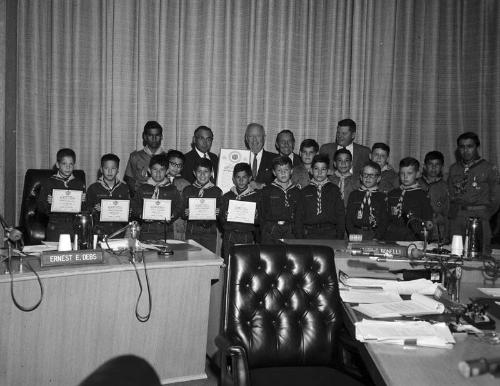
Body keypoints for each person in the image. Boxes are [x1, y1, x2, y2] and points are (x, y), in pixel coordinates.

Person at [448, 132, 500, 254]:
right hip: (458, 216)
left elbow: (496, 197)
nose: (466, 150)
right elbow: (450, 193)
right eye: (462, 147)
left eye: (470, 146)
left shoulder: (488, 168)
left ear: (477, 147)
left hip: (479, 216)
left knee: (480, 255)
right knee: (456, 254)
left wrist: (486, 214)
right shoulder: (454, 168)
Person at [37, 148, 86, 241]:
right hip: (55, 227)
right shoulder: (48, 183)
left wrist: (83, 202)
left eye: (71, 164)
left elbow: (84, 211)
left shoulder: (79, 184)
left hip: (74, 227)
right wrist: (48, 203)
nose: (68, 167)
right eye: (64, 164)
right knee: (55, 253)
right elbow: (40, 208)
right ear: (57, 165)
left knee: (74, 253)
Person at [131, 154, 183, 241]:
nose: (158, 173)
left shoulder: (172, 189)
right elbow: (134, 205)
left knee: (166, 254)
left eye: (162, 170)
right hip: (147, 231)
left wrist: (172, 215)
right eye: (155, 169)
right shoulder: (143, 188)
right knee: (147, 254)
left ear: (167, 171)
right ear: (149, 170)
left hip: (167, 232)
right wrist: (141, 214)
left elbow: (179, 206)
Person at [295, 155, 345, 239]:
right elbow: (299, 216)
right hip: (309, 233)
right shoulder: (304, 191)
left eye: (323, 169)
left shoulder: (334, 189)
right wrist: (300, 238)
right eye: (316, 169)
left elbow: (340, 215)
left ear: (328, 171)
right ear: (311, 170)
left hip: (330, 233)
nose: (319, 173)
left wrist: (340, 237)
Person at [385, 157, 433, 241]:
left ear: (418, 174)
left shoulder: (422, 196)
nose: (405, 177)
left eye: (409, 173)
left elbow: (427, 222)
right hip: (391, 237)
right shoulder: (392, 193)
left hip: (412, 238)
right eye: (402, 173)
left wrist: (424, 239)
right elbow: (386, 217)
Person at [219, 163, 260, 260]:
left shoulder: (256, 197)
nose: (241, 180)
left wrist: (256, 217)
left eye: (244, 177)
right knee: (229, 264)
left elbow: (260, 221)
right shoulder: (227, 196)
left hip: (247, 235)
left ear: (250, 178)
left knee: (245, 264)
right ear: (233, 179)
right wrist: (224, 216)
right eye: (238, 177)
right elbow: (220, 220)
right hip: (229, 235)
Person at [182, 158, 222, 253]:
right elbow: (181, 212)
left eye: (206, 172)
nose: (202, 175)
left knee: (208, 259)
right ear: (194, 173)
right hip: (192, 231)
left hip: (210, 233)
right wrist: (185, 213)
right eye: (199, 171)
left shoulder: (217, 191)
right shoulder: (187, 190)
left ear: (211, 173)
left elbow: (222, 215)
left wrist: (219, 212)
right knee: (192, 260)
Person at [86, 154, 130, 237]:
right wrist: (95, 209)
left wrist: (127, 210)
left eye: (113, 168)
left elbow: (129, 212)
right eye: (106, 168)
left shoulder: (124, 188)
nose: (110, 172)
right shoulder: (93, 188)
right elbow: (87, 210)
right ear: (101, 170)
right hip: (99, 233)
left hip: (119, 232)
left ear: (118, 170)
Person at [259, 156, 300, 243]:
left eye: (286, 170)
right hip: (271, 230)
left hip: (291, 231)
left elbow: (299, 214)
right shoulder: (267, 191)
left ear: (291, 171)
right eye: (279, 170)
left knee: (290, 255)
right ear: (274, 172)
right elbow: (262, 214)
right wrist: (266, 230)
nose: (283, 173)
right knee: (271, 255)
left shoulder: (297, 191)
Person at [346, 161, 388, 240]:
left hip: (374, 233)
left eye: (371, 175)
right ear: (361, 177)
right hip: (356, 232)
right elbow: (348, 219)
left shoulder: (382, 197)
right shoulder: (354, 194)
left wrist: (377, 237)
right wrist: (352, 234)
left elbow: (384, 221)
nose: (368, 178)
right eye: (365, 174)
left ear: (378, 178)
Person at [124, 121, 166, 196]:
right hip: (141, 198)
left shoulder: (167, 157)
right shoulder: (135, 156)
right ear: (145, 137)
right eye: (150, 135)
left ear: (162, 137)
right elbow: (130, 180)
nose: (154, 138)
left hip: (163, 200)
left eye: (157, 135)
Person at [418, 151, 450, 243]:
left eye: (437, 164)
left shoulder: (445, 187)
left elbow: (447, 213)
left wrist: (446, 236)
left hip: (438, 230)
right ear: (424, 166)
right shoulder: (417, 184)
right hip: (419, 228)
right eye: (430, 164)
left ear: (442, 167)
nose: (433, 167)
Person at [165, 150, 190, 240]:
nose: (176, 168)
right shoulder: (158, 180)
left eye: (179, 165)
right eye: (173, 164)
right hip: (160, 225)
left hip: (178, 225)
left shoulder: (186, 184)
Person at [245, 123, 279, 190]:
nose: (254, 140)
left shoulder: (275, 159)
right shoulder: (239, 158)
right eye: (251, 136)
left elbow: (282, 184)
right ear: (246, 139)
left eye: (258, 136)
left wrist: (263, 186)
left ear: (264, 138)